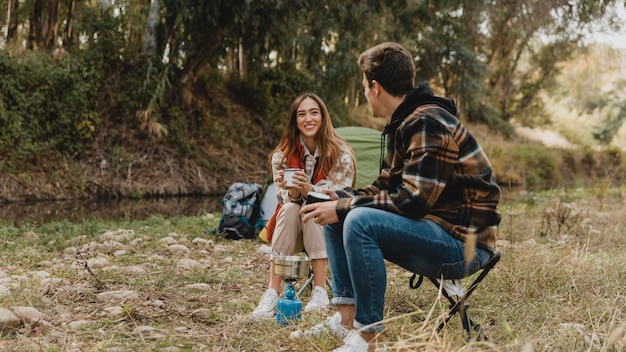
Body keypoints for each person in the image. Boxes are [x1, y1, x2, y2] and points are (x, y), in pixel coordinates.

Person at [300, 42, 501, 351]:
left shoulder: (427, 122)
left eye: (365, 86)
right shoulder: (404, 123)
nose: (365, 93)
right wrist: (339, 196)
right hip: (437, 230)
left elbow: (413, 201)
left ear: (375, 87)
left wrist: (344, 206)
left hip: (464, 245)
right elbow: (384, 187)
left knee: (356, 219)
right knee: (337, 211)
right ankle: (346, 320)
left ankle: (368, 336)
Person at [252, 93, 356, 319]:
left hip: (329, 229)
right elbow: (284, 201)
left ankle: (320, 291)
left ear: (323, 117)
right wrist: (294, 190)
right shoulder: (282, 155)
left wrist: (309, 190)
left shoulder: (341, 153)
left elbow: (338, 198)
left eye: (314, 112)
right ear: (295, 120)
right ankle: (272, 292)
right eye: (302, 114)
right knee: (290, 209)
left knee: (313, 208)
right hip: (292, 229)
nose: (308, 119)